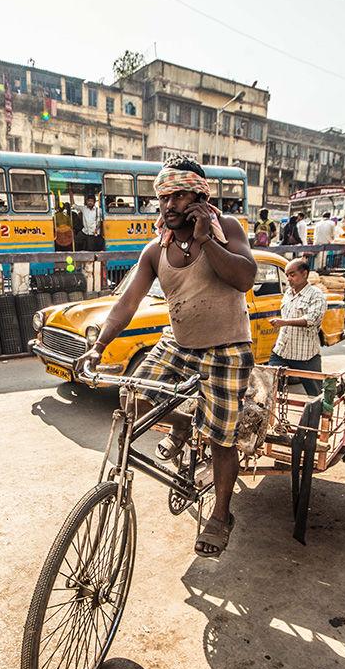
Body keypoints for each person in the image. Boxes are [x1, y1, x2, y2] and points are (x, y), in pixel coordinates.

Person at [76, 154, 256, 558]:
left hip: (227, 347)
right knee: (133, 396)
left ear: (198, 196)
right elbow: (126, 303)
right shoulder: (156, 248)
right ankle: (184, 424)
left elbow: (245, 278)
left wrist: (208, 238)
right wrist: (97, 346)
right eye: (163, 198)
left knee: (221, 438)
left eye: (178, 197)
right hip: (179, 344)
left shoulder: (226, 228)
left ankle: (222, 514)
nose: (169, 205)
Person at [268, 258, 325, 396]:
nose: (288, 279)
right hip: (281, 352)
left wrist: (284, 322)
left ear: (304, 274)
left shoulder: (316, 295)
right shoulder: (288, 293)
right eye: (287, 275)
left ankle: (318, 416)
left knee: (316, 395)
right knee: (268, 388)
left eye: (292, 275)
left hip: (305, 355)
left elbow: (311, 319)